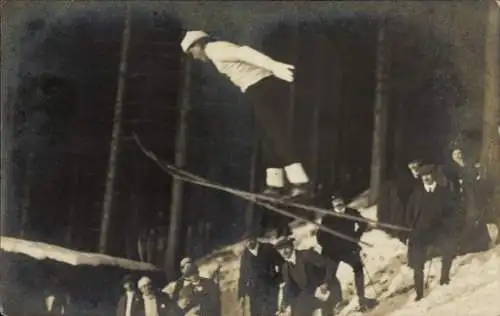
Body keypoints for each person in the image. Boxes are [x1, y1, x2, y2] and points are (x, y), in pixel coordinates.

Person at [180, 31, 310, 199]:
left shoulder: (213, 49)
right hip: (259, 89)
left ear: (197, 45)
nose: (196, 57)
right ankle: (275, 185)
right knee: (267, 137)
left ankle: (300, 182)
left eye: (193, 53)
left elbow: (245, 52)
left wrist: (273, 65)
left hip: (262, 88)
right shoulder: (215, 52)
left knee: (275, 134)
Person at [404, 165, 461, 301]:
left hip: (439, 230)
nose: (426, 178)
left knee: (448, 247)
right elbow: (409, 214)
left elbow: (453, 212)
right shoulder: (416, 195)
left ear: (433, 175)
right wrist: (412, 229)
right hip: (420, 232)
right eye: (423, 176)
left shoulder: (444, 193)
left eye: (428, 175)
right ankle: (419, 292)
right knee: (417, 260)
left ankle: (444, 278)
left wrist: (448, 227)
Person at [316, 195, 376, 312]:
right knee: (329, 277)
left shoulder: (351, 212)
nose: (338, 203)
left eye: (339, 200)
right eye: (335, 202)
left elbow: (363, 223)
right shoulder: (327, 218)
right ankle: (336, 302)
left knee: (358, 269)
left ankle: (362, 299)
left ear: (343, 201)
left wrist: (356, 236)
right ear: (332, 204)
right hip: (332, 252)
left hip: (348, 249)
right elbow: (320, 237)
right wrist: (330, 246)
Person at [275, 236, 337, 316]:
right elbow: (288, 288)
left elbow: (330, 265)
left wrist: (326, 283)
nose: (284, 251)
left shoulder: (307, 255)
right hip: (309, 297)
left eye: (286, 247)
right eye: (280, 249)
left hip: (326, 292)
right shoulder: (286, 267)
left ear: (292, 246)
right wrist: (284, 304)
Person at [238, 233, 284, 316]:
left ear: (256, 238)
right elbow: (243, 275)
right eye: (246, 242)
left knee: (270, 312)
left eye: (250, 240)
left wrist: (280, 278)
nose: (249, 243)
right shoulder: (245, 255)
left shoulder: (268, 248)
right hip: (255, 291)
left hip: (270, 287)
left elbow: (282, 263)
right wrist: (241, 294)